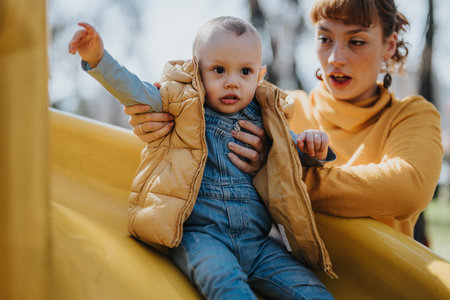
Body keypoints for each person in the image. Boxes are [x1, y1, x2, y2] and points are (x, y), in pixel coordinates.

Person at [125, 0, 443, 239]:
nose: (335, 58)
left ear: (388, 45)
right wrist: (161, 123)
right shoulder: (277, 107)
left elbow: (406, 189)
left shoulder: (412, 115)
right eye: (325, 38)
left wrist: (277, 172)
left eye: (356, 41)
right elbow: (200, 134)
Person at [69, 17, 335, 300]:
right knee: (223, 281)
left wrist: (314, 146)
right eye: (218, 70)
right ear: (197, 71)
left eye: (245, 71)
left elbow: (295, 150)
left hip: (257, 242)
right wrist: (98, 58)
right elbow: (134, 90)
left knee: (310, 290)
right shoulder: (181, 104)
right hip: (201, 235)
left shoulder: (268, 118)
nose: (232, 82)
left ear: (259, 75)